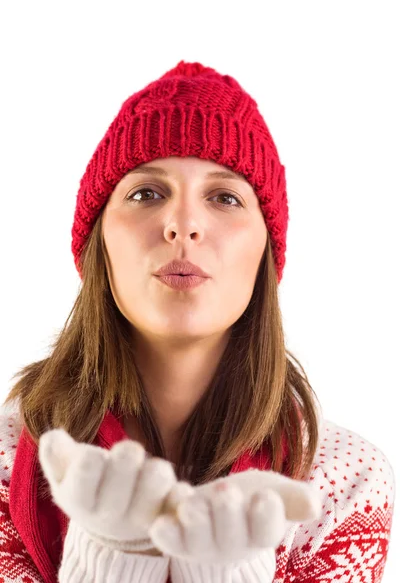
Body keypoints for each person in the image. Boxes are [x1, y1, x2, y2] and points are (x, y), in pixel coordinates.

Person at [0, 60, 395, 583]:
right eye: (146, 193)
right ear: (99, 242)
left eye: (225, 197)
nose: (183, 224)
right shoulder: (5, 467)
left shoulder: (344, 485)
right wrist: (110, 559)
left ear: (265, 251)